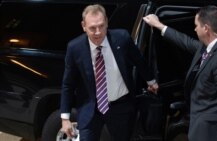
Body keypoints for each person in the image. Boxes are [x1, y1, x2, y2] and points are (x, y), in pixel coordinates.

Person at [143, 5, 217, 141]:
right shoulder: (211, 46)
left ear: (206, 28)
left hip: (209, 131)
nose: (194, 29)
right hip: (199, 122)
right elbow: (185, 42)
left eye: (196, 25)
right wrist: (159, 25)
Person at [60, 4, 159, 141]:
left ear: (106, 22)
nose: (98, 32)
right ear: (83, 26)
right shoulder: (75, 48)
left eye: (101, 26)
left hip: (120, 107)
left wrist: (151, 81)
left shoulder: (122, 38)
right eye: (92, 28)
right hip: (90, 109)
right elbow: (68, 84)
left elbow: (139, 61)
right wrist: (65, 118)